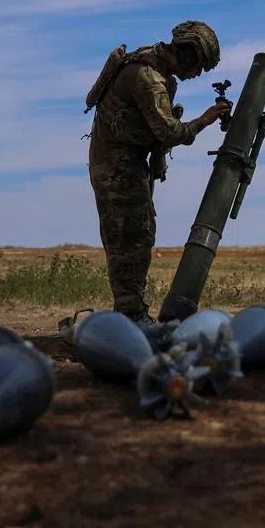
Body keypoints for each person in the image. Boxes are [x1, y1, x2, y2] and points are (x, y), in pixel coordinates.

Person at [86, 21, 232, 323]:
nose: (196, 75)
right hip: (117, 167)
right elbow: (168, 132)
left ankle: (130, 314)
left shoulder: (156, 68)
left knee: (138, 233)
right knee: (130, 239)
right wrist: (204, 120)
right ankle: (130, 316)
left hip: (126, 162)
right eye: (199, 66)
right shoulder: (149, 78)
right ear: (188, 54)